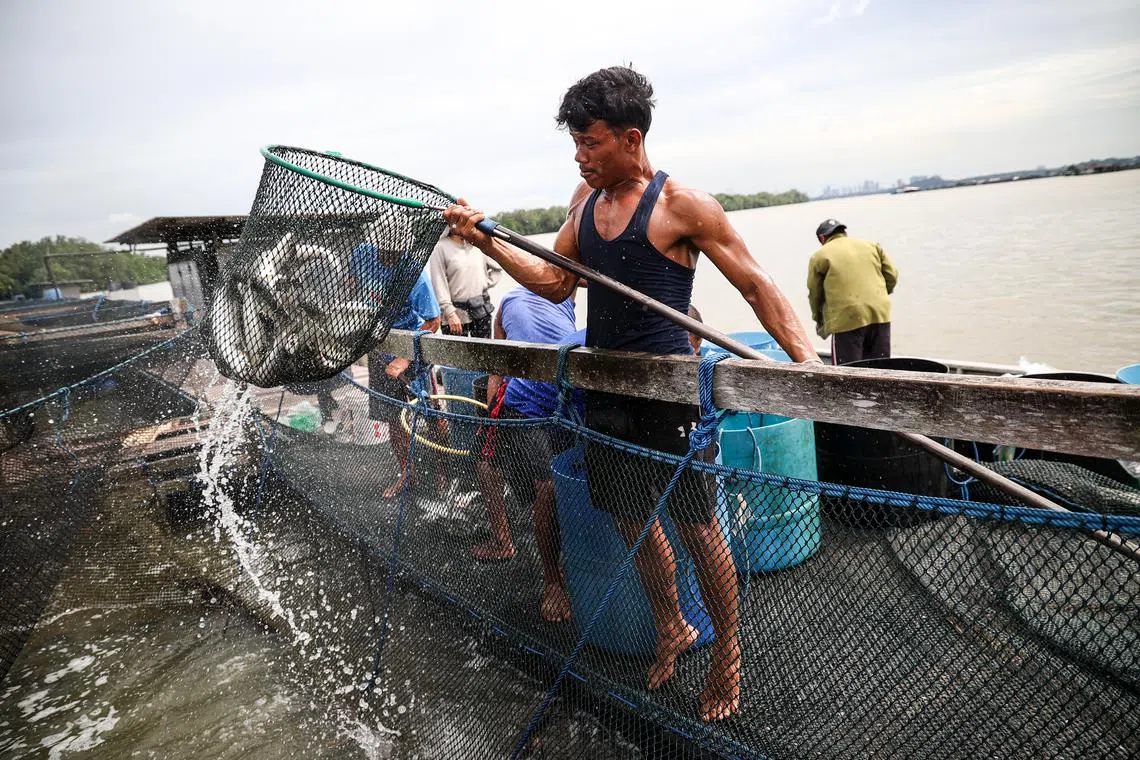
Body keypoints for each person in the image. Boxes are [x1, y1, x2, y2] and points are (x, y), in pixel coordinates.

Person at [443, 66, 821, 722]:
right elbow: (555, 283)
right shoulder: (583, 205)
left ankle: (728, 655)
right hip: (605, 391)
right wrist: (487, 239)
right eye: (575, 146)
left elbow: (756, 285)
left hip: (669, 396)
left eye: (590, 143)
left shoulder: (684, 207)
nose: (580, 156)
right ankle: (672, 624)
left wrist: (808, 362)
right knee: (628, 519)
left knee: (700, 529)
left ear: (630, 138)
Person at [470, 285, 581, 624]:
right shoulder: (521, 301)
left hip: (564, 401)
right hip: (527, 404)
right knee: (540, 486)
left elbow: (496, 368)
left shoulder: (549, 299)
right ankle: (550, 579)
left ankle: (561, 570)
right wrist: (493, 417)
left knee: (553, 489)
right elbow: (497, 368)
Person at [349, 243, 442, 498]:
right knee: (392, 418)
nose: (392, 257)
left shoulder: (413, 273)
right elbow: (352, 282)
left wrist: (405, 358)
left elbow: (434, 320)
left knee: (431, 415)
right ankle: (407, 475)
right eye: (387, 252)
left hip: (411, 352)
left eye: (397, 253)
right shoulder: (361, 253)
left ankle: (443, 474)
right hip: (379, 348)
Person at [807, 219, 899, 365]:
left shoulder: (820, 256)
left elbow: (815, 294)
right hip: (880, 314)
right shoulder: (872, 246)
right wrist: (879, 296)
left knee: (845, 375)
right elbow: (892, 276)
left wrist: (818, 319)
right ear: (843, 232)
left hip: (846, 319)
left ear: (822, 238)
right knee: (882, 371)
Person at [428, 227, 503, 338]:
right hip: (454, 317)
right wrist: (450, 314)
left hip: (481, 310)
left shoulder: (478, 245)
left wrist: (484, 283)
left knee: (484, 354)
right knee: (456, 355)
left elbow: (497, 268)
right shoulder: (440, 247)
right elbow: (438, 283)